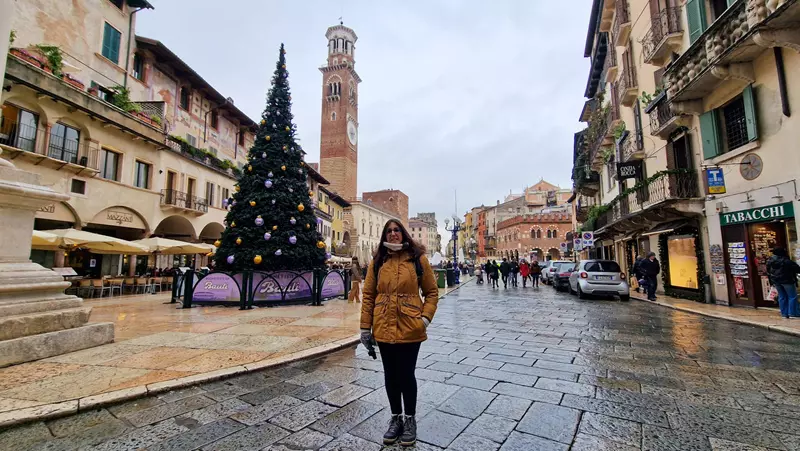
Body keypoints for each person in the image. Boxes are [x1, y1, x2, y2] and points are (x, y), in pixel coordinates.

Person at [361, 220, 439, 447]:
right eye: (389, 231)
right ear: (384, 234)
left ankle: (410, 419)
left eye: (397, 230)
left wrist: (423, 320)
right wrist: (365, 328)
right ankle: (395, 419)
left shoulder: (417, 259)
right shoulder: (378, 262)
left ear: (403, 234)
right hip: (383, 325)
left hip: (410, 326)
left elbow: (432, 292)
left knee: (406, 375)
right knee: (390, 375)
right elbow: (368, 296)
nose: (393, 234)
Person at [767, 247, 800, 319]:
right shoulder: (786, 261)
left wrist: (771, 281)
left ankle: (784, 314)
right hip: (787, 281)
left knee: (782, 297)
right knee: (792, 296)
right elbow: (797, 269)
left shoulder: (770, 261)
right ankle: (792, 313)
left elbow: (768, 272)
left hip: (776, 281)